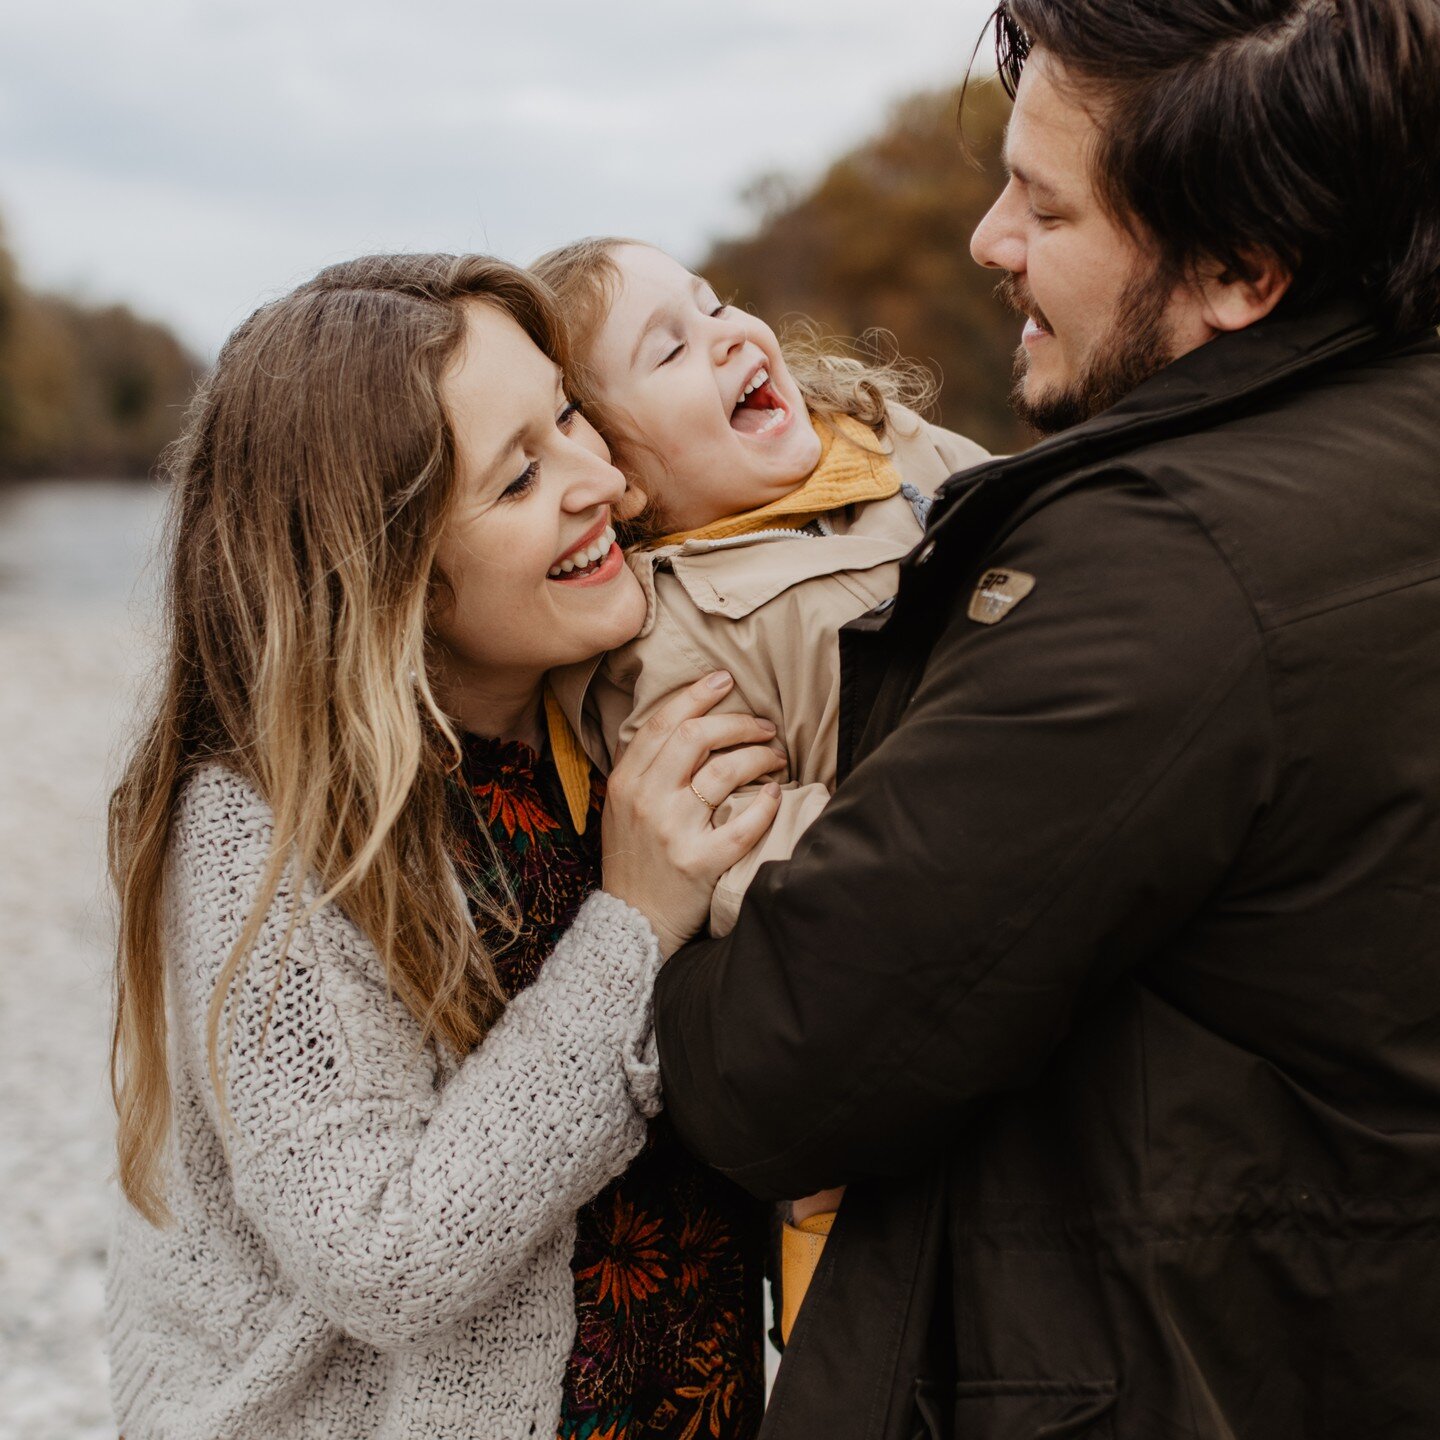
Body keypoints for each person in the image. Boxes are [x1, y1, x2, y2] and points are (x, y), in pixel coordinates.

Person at [648, 2, 1440, 1437]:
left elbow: (777, 1074)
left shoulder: (1161, 576)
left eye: (1046, 203)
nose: (988, 240)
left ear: (1241, 269)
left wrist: (659, 901)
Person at [104, 253, 786, 1440]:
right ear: (385, 575)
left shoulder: (619, 711)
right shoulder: (262, 830)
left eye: (568, 415)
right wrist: (631, 928)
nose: (600, 478)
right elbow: (382, 1251)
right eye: (521, 479)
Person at [531, 237, 987, 1338]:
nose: (733, 332)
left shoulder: (891, 449)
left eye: (718, 301)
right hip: (923, 935)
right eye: (672, 347)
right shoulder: (669, 634)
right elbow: (739, 839)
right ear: (621, 474)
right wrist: (926, 855)